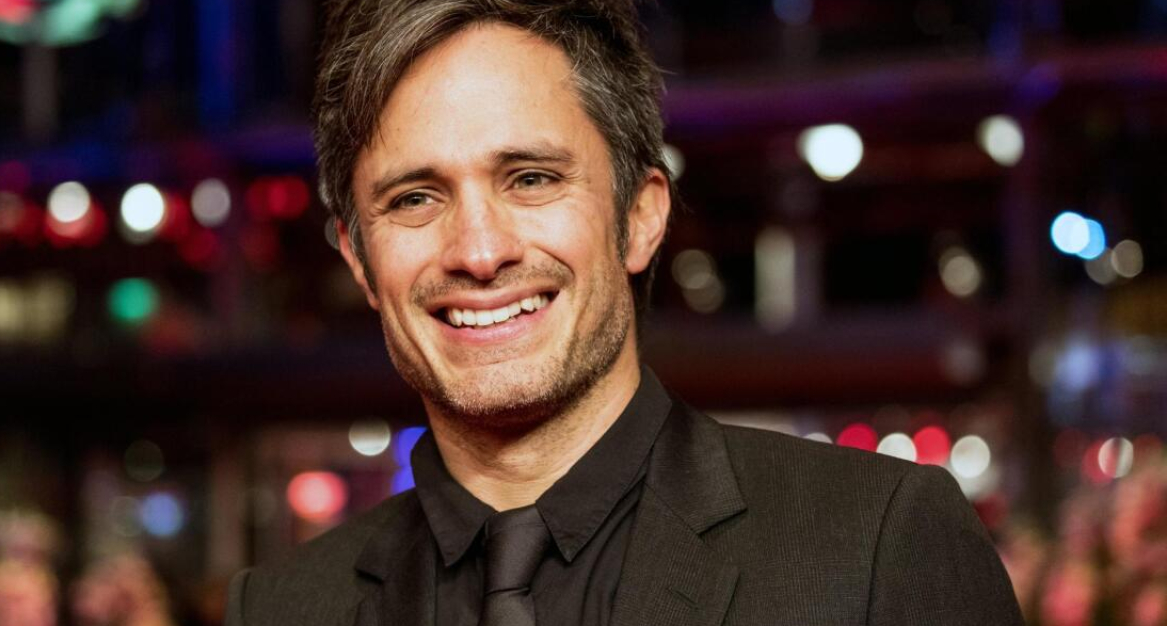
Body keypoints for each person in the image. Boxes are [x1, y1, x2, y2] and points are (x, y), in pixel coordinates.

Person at [225, 1, 1025, 624]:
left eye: (531, 179)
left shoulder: (878, 545)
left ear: (640, 217)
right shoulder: (281, 610)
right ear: (359, 258)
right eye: (414, 197)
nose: (479, 249)